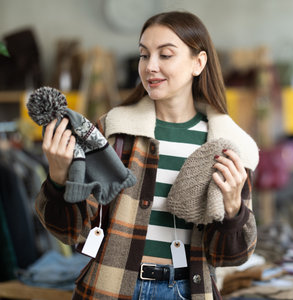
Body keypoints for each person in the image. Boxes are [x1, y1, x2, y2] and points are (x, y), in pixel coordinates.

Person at [35, 11, 259, 300]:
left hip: (188, 291)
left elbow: (232, 256)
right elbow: (68, 230)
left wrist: (232, 211)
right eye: (143, 55)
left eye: (165, 55)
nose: (150, 66)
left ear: (198, 62)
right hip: (110, 289)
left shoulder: (226, 146)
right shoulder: (111, 133)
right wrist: (58, 178)